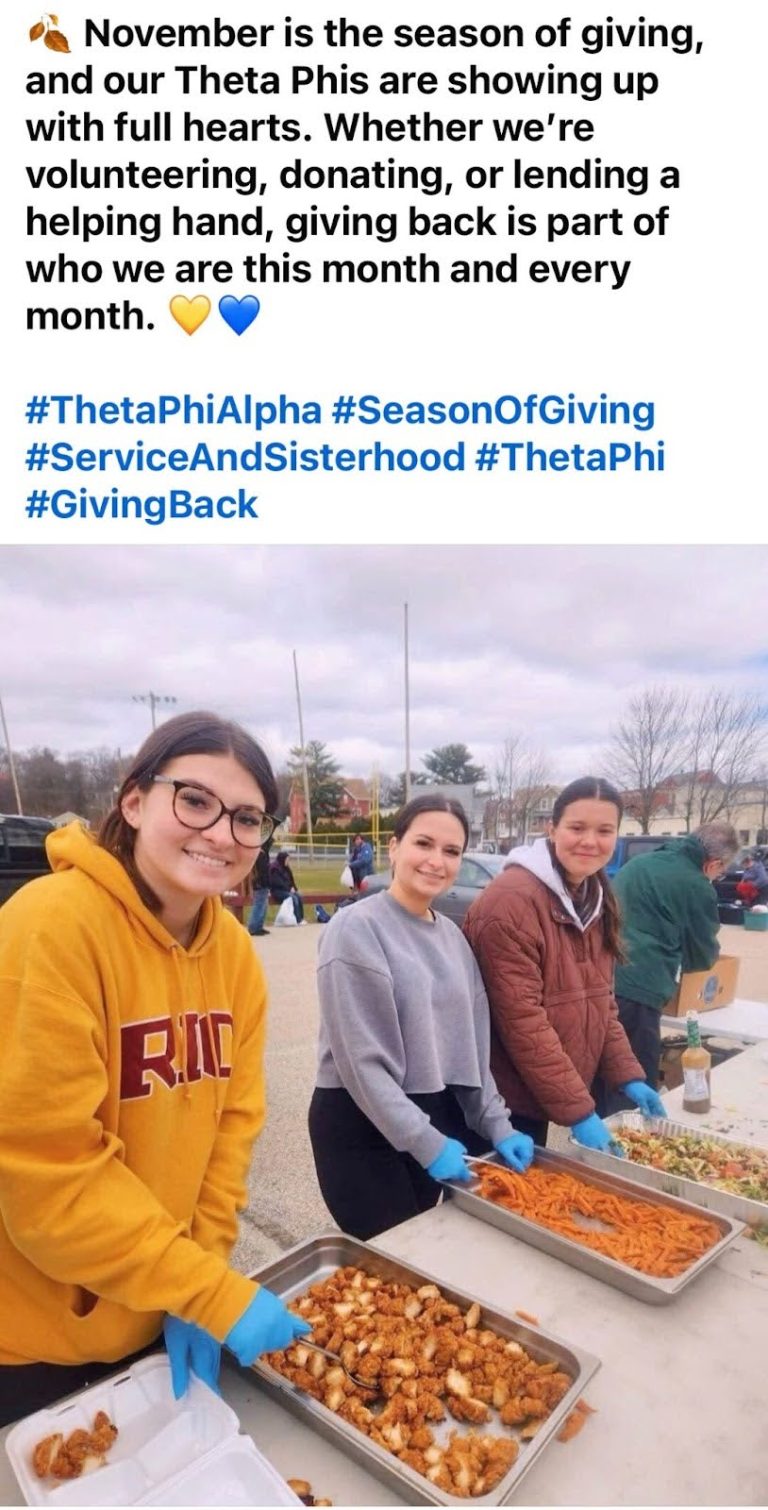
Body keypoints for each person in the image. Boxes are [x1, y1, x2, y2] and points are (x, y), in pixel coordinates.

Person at [0, 712, 309, 1428]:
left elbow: (231, 1131)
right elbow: (49, 1178)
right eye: (195, 800)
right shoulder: (48, 928)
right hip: (36, 1345)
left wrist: (197, 1281)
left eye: (247, 818)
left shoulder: (235, 954)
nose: (221, 834)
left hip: (163, 1303)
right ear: (135, 802)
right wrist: (211, 1293)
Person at [308, 794, 535, 1241]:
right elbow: (361, 1065)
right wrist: (426, 1144)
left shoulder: (453, 937)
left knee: (428, 1253)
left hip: (432, 1118)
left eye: (451, 851)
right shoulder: (355, 929)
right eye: (424, 843)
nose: (436, 861)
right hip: (362, 1124)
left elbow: (473, 1050)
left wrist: (498, 1126)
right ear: (394, 847)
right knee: (398, 1259)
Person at [464, 777, 666, 1154]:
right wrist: (579, 1112)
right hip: (499, 1099)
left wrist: (628, 1074)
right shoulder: (511, 902)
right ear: (552, 828)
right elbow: (522, 1020)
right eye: (577, 828)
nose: (590, 841)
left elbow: (600, 1002)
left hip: (538, 1092)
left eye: (604, 830)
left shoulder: (594, 896)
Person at [594, 821, 739, 1117]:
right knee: (633, 1077)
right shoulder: (696, 884)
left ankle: (593, 1135)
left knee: (602, 1069)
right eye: (720, 872)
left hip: (599, 978)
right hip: (640, 988)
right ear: (714, 863)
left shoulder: (641, 863)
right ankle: (624, 1137)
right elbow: (702, 955)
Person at [268, 849, 305, 924]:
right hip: (277, 891)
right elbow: (277, 883)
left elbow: (291, 880)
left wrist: (295, 889)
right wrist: (289, 889)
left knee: (298, 896)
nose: (288, 861)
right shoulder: (274, 868)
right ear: (282, 859)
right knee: (293, 898)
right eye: (287, 859)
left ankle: (301, 919)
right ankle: (297, 919)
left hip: (286, 890)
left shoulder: (286, 867)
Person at [247, 841, 272, 936]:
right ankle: (253, 927)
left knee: (263, 906)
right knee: (259, 905)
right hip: (260, 883)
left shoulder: (262, 854)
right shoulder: (260, 855)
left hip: (261, 883)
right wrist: (265, 883)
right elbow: (262, 871)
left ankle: (259, 926)